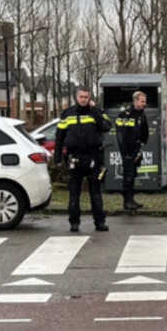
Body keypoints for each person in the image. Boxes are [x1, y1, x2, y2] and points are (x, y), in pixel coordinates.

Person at [55, 87, 112, 232]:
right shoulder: (68, 114)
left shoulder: (97, 112)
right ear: (76, 97)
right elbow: (59, 137)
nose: (84, 99)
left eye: (86, 97)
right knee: (74, 193)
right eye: (81, 97)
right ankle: (74, 222)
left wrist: (94, 111)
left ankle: (99, 222)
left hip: (93, 157)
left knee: (96, 193)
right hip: (75, 158)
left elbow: (106, 127)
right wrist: (57, 158)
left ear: (90, 98)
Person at [115, 90, 150, 211]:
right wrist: (126, 153)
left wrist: (142, 142)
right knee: (128, 176)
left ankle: (131, 199)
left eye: (145, 101)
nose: (144, 104)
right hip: (128, 151)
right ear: (135, 101)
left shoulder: (141, 114)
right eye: (142, 101)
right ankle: (127, 201)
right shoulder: (126, 115)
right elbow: (121, 136)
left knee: (133, 174)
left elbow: (143, 129)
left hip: (136, 148)